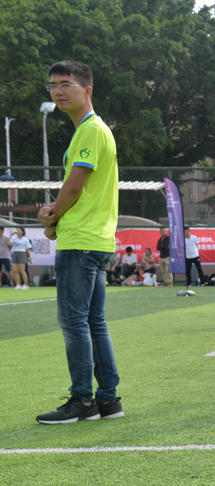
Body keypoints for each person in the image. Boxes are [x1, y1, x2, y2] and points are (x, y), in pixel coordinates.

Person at [35, 60, 123, 423]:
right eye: (53, 85)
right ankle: (107, 400)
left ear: (87, 90)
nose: (58, 91)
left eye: (66, 84)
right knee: (93, 321)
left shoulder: (90, 130)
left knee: (74, 322)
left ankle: (82, 401)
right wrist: (56, 215)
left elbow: (74, 186)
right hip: (97, 240)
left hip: (82, 241)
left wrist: (52, 214)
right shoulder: (92, 130)